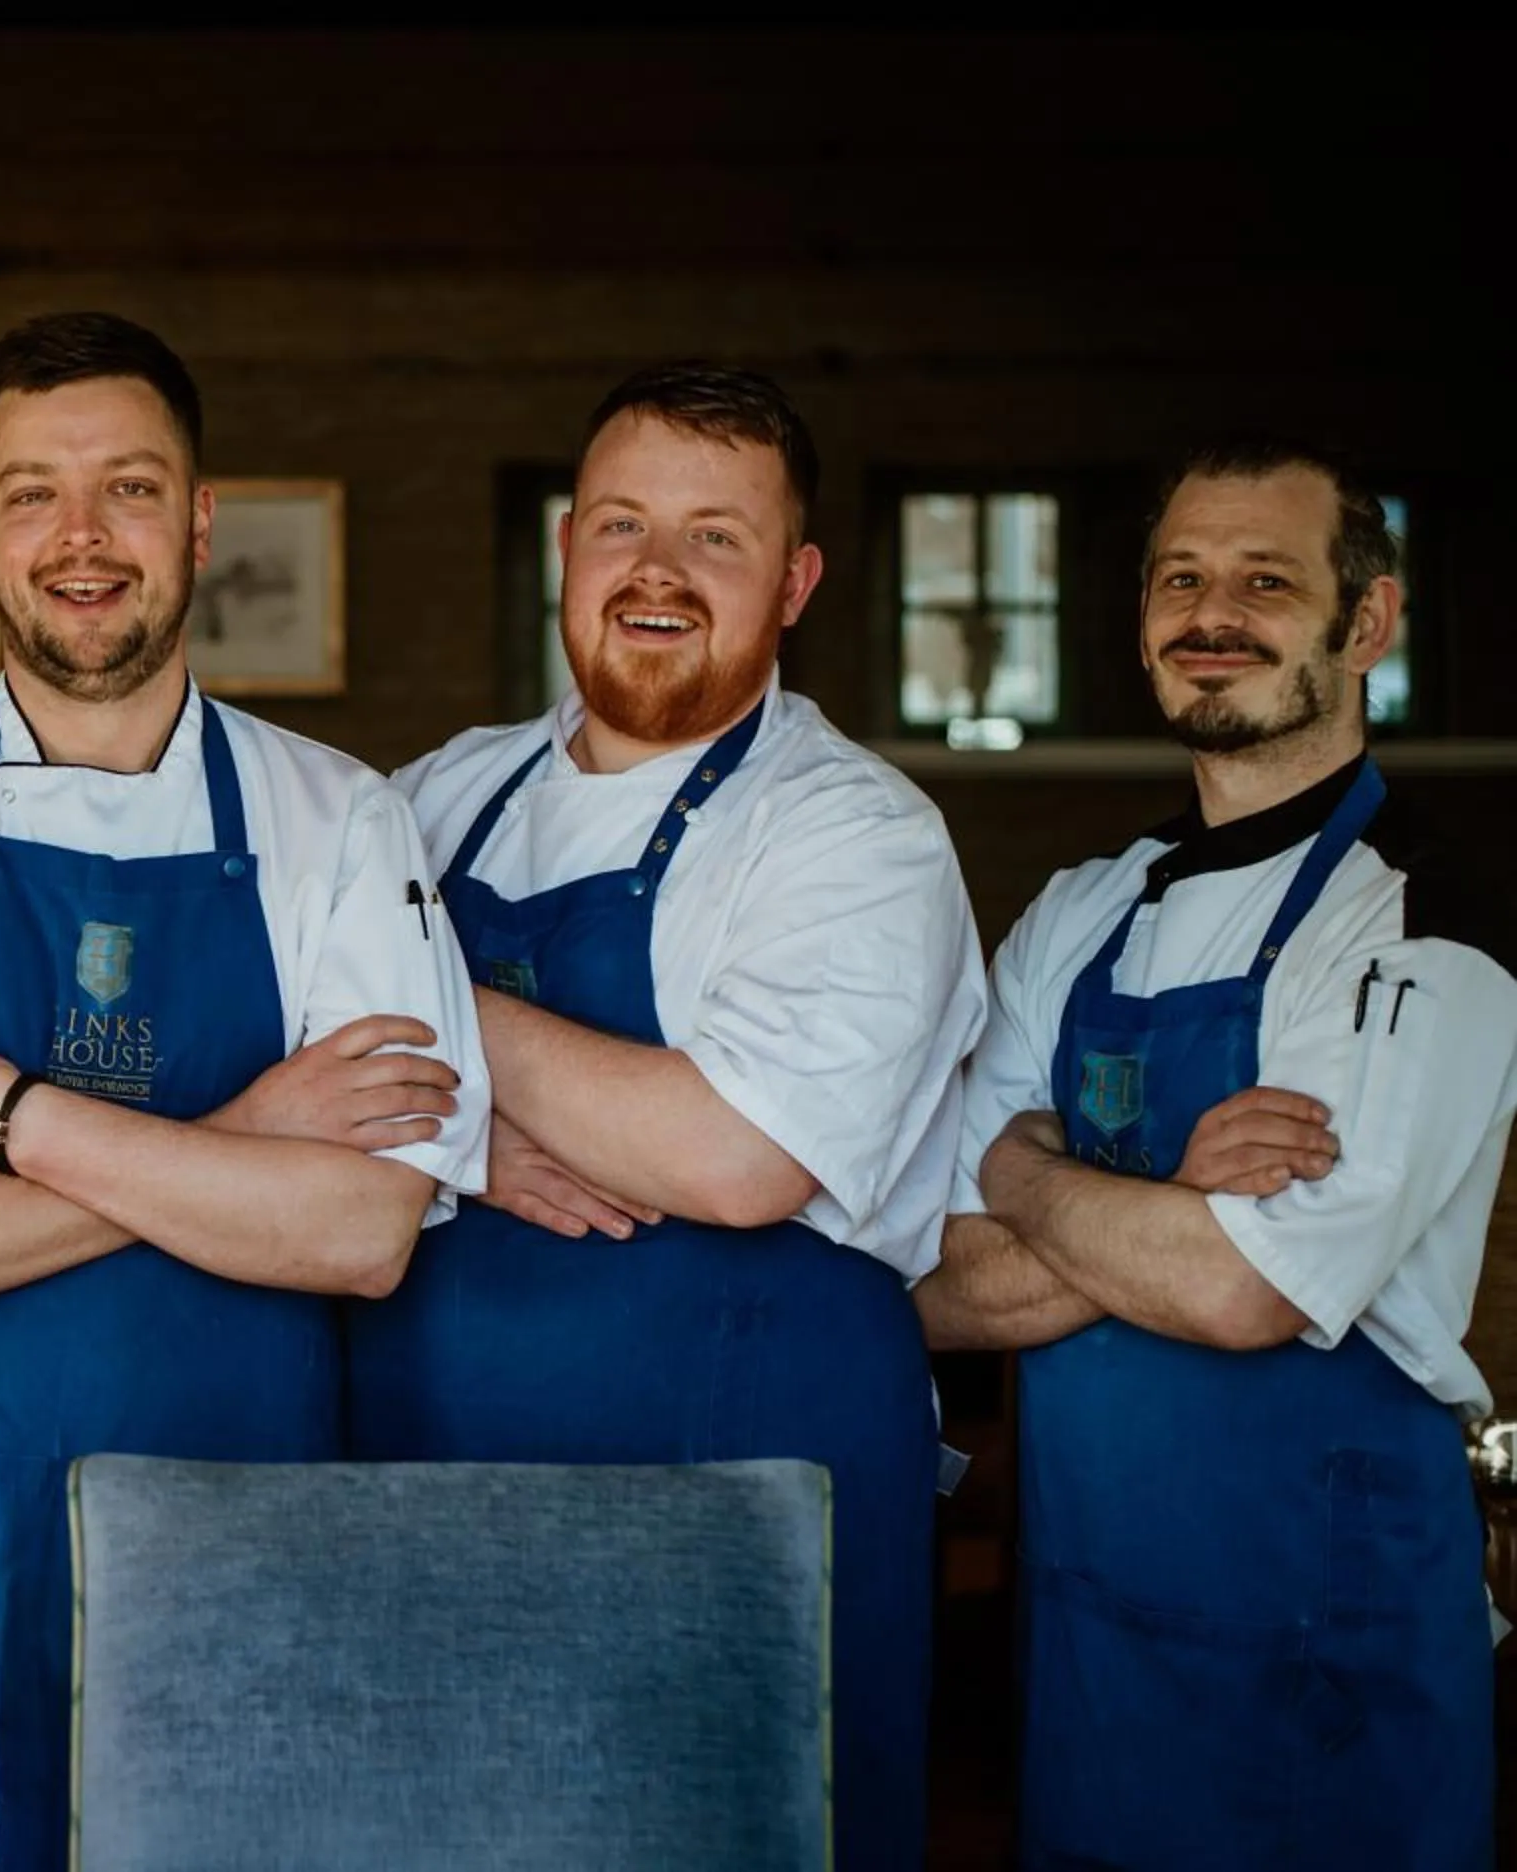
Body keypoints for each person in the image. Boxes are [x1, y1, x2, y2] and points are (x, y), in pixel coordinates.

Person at [0, 311, 489, 1872]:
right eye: (32, 495)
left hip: (240, 1547)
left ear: (203, 521)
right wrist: (236, 1142)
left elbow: (362, 1230)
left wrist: (5, 1120)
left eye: (131, 488)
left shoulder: (342, 820)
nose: (83, 539)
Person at [341, 363, 983, 1872]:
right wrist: (481, 1135)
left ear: (796, 579)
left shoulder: (856, 833)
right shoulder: (437, 793)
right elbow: (306, 1059)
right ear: (568, 542)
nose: (657, 569)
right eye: (624, 522)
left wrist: (444, 1027)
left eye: (716, 536)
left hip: (742, 1504)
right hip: (427, 1498)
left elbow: (734, 1153)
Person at [918, 441, 1511, 1869]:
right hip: (1089, 1641)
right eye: (1181, 576)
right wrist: (1175, 1201)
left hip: (1337, 1636)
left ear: (1366, 624)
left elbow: (1248, 1292)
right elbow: (932, 1281)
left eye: (1266, 579)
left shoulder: (1427, 918)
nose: (1212, 612)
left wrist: (1024, 1171)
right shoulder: (1079, 908)